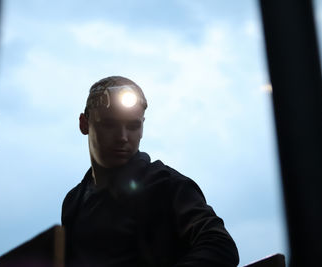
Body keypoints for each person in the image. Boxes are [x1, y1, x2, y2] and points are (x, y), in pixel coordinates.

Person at [61, 76, 239, 267]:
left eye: (133, 126)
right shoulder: (74, 202)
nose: (122, 137)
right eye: (109, 125)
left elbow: (221, 246)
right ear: (83, 124)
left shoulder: (168, 185)